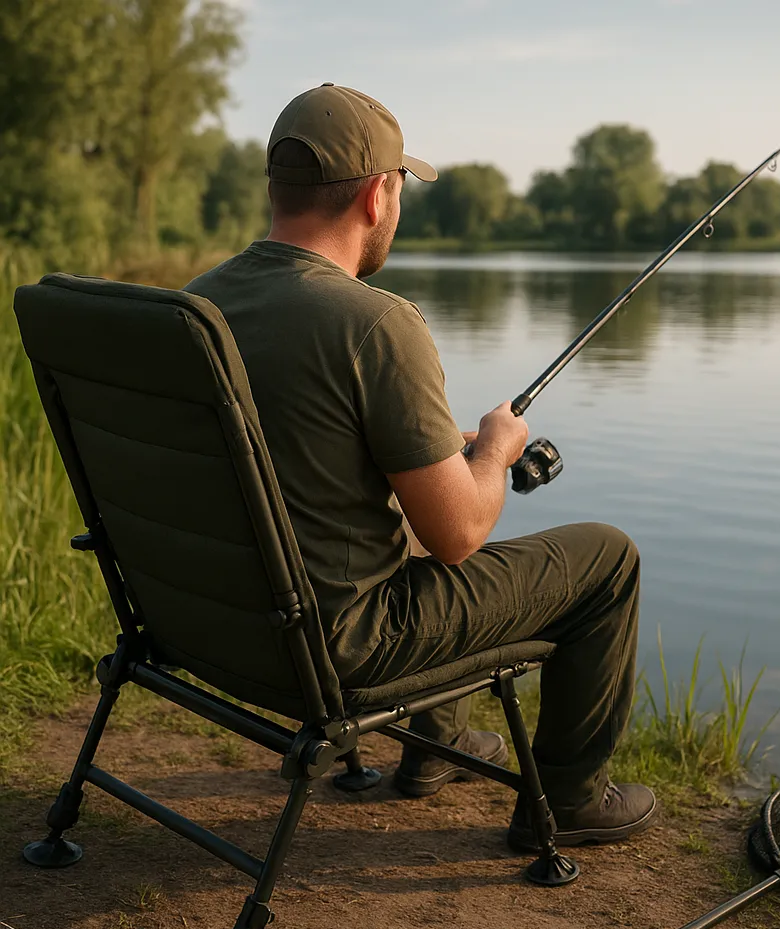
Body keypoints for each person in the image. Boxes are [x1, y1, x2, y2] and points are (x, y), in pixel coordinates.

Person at [186, 84, 656, 850]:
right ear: (377, 196)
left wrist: (443, 456)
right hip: (338, 644)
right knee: (607, 557)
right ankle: (570, 799)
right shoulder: (376, 322)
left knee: (402, 505)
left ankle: (438, 753)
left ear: (278, 188)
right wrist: (494, 455)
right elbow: (459, 536)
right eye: (400, 192)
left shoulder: (198, 305)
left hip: (212, 624)